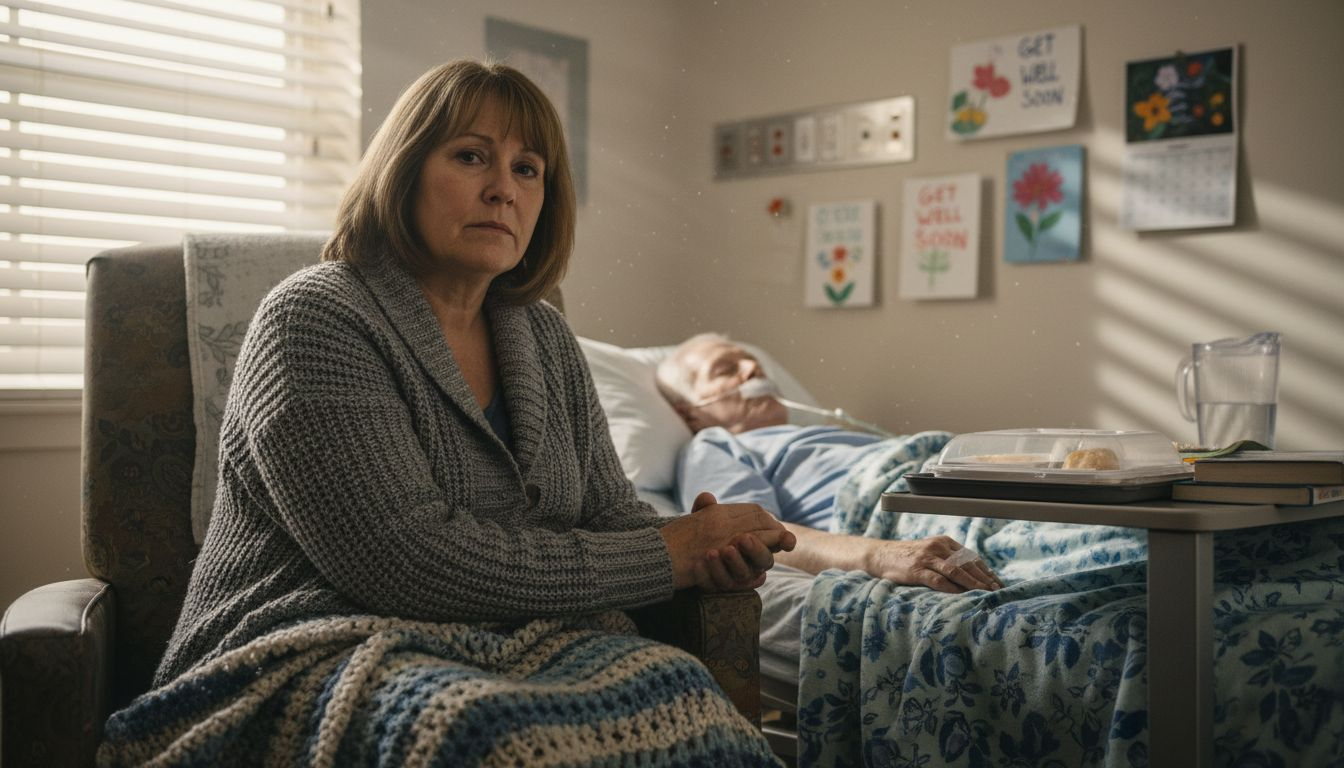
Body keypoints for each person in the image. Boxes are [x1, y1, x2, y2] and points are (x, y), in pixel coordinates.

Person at [99, 61, 791, 766]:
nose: (503, 189)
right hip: (306, 647)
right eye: (470, 156)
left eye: (529, 170)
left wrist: (705, 546)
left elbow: (610, 517)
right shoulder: (314, 318)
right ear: (401, 172)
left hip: (521, 640)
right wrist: (665, 554)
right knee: (485, 734)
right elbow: (402, 559)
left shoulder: (546, 337)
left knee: (690, 700)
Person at [656, 332, 1002, 594]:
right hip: (903, 501)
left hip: (948, 469)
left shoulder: (815, 434)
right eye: (726, 369)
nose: (752, 368)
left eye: (750, 361)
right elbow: (751, 537)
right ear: (690, 412)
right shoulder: (712, 445)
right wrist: (881, 555)